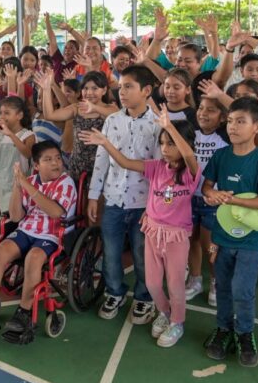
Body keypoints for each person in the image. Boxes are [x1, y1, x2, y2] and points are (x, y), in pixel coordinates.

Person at [83, 107, 200, 347]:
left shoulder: (190, 172)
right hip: (152, 231)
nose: (165, 149)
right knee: (153, 283)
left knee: (176, 284)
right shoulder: (156, 166)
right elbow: (125, 161)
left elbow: (188, 155)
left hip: (176, 237)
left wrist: (169, 126)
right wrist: (105, 142)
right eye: (163, 143)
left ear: (184, 143)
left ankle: (177, 322)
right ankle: (165, 313)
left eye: (171, 144)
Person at [0, 141, 77, 340]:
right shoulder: (31, 180)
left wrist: (27, 184)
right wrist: (18, 186)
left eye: (57, 158)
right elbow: (16, 216)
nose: (55, 163)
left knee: (34, 257)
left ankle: (24, 312)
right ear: (36, 165)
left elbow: (55, 212)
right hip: (27, 229)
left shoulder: (66, 183)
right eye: (48, 159)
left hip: (53, 235)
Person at [202, 97, 258, 368]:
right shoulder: (220, 156)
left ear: (257, 127)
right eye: (231, 121)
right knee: (222, 286)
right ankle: (223, 329)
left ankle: (245, 333)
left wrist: (234, 201)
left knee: (242, 290)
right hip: (221, 237)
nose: (233, 127)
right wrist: (211, 195)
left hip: (251, 240)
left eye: (241, 122)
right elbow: (207, 187)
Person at [85, 65, 160, 324]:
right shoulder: (112, 120)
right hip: (114, 199)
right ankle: (114, 292)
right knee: (111, 251)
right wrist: (94, 195)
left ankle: (144, 297)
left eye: (129, 86)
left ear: (147, 91)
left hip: (144, 204)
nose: (122, 92)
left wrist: (159, 207)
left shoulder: (157, 125)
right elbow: (102, 159)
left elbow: (160, 169)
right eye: (120, 86)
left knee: (142, 254)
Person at [185, 95, 230, 306]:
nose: (203, 113)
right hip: (189, 199)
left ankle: (215, 280)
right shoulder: (191, 135)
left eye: (211, 110)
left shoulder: (226, 138)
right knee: (191, 241)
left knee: (210, 245)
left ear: (223, 117)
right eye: (201, 108)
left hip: (213, 201)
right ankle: (195, 279)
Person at [36, 70, 115, 183]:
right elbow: (50, 115)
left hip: (101, 166)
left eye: (94, 88)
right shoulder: (77, 108)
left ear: (104, 90)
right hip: (77, 166)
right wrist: (46, 89)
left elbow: (117, 116)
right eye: (85, 88)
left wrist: (94, 108)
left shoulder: (110, 108)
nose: (89, 92)